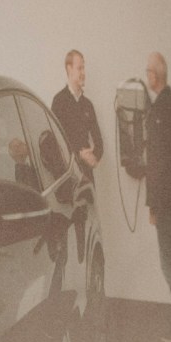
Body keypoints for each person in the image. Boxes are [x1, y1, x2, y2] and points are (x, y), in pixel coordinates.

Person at [121, 45, 171, 302]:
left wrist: (153, 205)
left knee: (169, 263)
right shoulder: (167, 105)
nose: (146, 75)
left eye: (148, 71)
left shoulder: (163, 108)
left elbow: (160, 161)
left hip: (166, 200)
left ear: (155, 75)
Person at [50, 45, 110, 302]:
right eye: (80, 67)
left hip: (86, 181)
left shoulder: (88, 105)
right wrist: (77, 154)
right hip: (66, 183)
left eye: (84, 68)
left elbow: (99, 142)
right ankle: (64, 294)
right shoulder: (59, 102)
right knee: (66, 237)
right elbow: (54, 142)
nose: (83, 72)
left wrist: (95, 158)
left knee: (87, 233)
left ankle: (88, 296)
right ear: (68, 69)